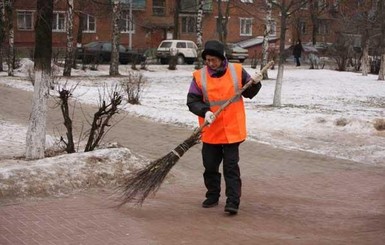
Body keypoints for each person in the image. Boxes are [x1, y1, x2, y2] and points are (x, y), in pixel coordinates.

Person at [186, 40, 262, 215]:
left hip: (232, 130)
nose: (210, 63)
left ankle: (232, 202)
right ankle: (212, 196)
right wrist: (204, 112)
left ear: (222, 58)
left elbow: (248, 93)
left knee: (231, 167)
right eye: (207, 60)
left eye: (213, 60)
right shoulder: (199, 76)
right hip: (211, 129)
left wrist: (256, 83)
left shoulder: (236, 70)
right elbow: (192, 101)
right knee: (210, 166)